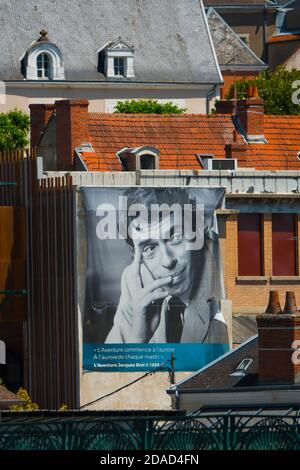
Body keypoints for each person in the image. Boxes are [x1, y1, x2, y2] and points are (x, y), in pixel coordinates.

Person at [105, 187, 228, 344]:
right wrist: (138, 338)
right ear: (137, 258)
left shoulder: (214, 289)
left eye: (175, 237)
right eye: (149, 248)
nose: (167, 261)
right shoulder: (135, 283)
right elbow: (112, 364)